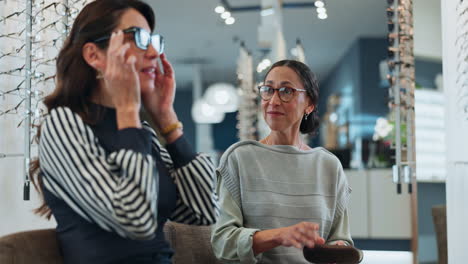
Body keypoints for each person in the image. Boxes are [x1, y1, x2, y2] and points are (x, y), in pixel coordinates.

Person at [29, 1, 218, 263]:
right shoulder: (64, 124)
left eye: (153, 40)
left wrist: (167, 119)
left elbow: (205, 212)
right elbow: (135, 220)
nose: (153, 52)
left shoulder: (142, 133)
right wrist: (128, 109)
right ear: (94, 55)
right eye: (138, 38)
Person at [211, 60, 353, 263]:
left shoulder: (329, 166)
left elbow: (341, 240)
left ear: (309, 104)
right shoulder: (239, 158)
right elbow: (222, 243)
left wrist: (338, 249)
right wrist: (279, 235)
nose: (274, 100)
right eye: (268, 90)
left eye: (286, 91)